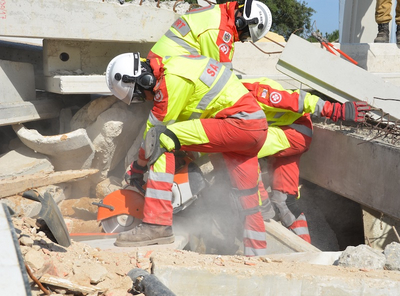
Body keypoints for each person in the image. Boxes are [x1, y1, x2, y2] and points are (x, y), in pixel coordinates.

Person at [105, 52, 269, 256]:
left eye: (141, 94)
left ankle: (156, 224)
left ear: (143, 79)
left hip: (238, 123)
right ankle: (258, 257)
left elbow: (153, 134)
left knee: (162, 139)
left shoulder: (170, 80)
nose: (146, 99)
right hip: (254, 128)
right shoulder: (176, 64)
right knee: (247, 198)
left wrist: (138, 167)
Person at [241, 77, 370, 243]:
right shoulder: (222, 96)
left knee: (239, 149)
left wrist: (336, 110)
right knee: (285, 202)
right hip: (287, 132)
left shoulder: (251, 92)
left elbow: (299, 99)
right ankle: (305, 249)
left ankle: (262, 205)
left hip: (293, 132)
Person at [147, 0, 272, 69]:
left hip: (161, 62)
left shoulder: (218, 12)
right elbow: (223, 76)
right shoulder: (220, 31)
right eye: (245, 35)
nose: (241, 39)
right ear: (242, 22)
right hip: (165, 70)